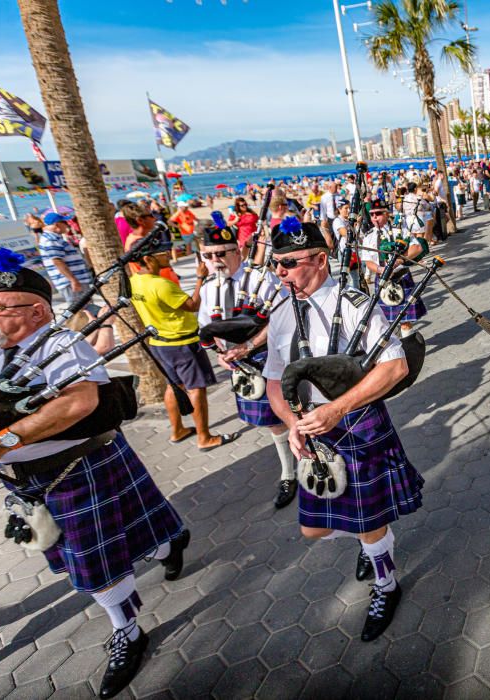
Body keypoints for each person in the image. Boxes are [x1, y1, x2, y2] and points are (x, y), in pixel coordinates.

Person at [0, 257, 190, 699]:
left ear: (36, 311)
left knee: (95, 563)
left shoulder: (62, 345)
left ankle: (128, 630)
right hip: (27, 478)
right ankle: (168, 542)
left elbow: (75, 405)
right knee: (84, 554)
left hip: (82, 468)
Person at [263, 219, 424, 641]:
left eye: (288, 264)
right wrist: (292, 421)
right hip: (312, 430)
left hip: (356, 422)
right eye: (274, 264)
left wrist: (337, 408)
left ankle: (386, 584)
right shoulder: (280, 312)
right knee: (312, 528)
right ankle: (369, 540)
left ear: (319, 260)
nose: (279, 273)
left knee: (369, 522)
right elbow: (275, 379)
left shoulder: (355, 302)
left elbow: (396, 366)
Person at [196, 221, 298, 508]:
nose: (216, 261)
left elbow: (282, 317)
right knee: (273, 423)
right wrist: (219, 353)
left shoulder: (261, 280)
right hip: (242, 366)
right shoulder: (207, 289)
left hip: (272, 354)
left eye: (223, 253)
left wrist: (250, 345)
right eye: (209, 255)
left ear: (238, 250)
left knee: (295, 412)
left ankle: (314, 459)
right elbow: (207, 327)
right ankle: (289, 473)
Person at [129, 237, 236, 451]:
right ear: (148, 259)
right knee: (196, 389)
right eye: (162, 252)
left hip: (159, 342)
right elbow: (193, 305)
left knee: (173, 385)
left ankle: (177, 430)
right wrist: (199, 279)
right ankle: (204, 437)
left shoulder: (135, 281)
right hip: (182, 343)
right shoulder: (160, 284)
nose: (169, 254)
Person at [360, 200, 428, 338]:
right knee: (386, 321)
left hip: (402, 277)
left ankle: (409, 347)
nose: (374, 217)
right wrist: (379, 270)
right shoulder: (369, 236)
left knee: (405, 321)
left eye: (378, 214)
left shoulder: (400, 231)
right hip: (383, 280)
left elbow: (417, 248)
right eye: (372, 214)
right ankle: (396, 347)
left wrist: (399, 260)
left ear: (386, 214)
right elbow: (368, 261)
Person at [38, 212, 93, 303]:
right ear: (57, 224)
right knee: (80, 308)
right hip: (70, 282)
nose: (68, 225)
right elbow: (57, 261)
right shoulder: (51, 240)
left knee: (85, 307)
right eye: (65, 222)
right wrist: (73, 280)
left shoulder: (54, 238)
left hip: (75, 280)